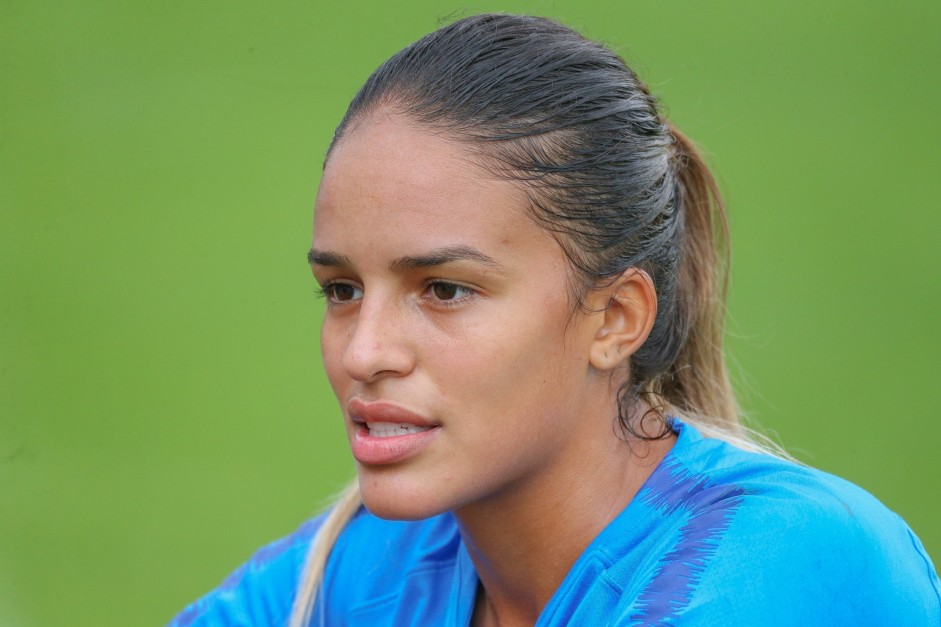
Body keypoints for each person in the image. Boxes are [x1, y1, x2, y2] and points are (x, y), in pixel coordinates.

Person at [171, 13, 939, 626]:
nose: (364, 352)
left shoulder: (788, 564)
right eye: (340, 289)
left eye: (443, 289)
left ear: (614, 317)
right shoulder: (361, 563)